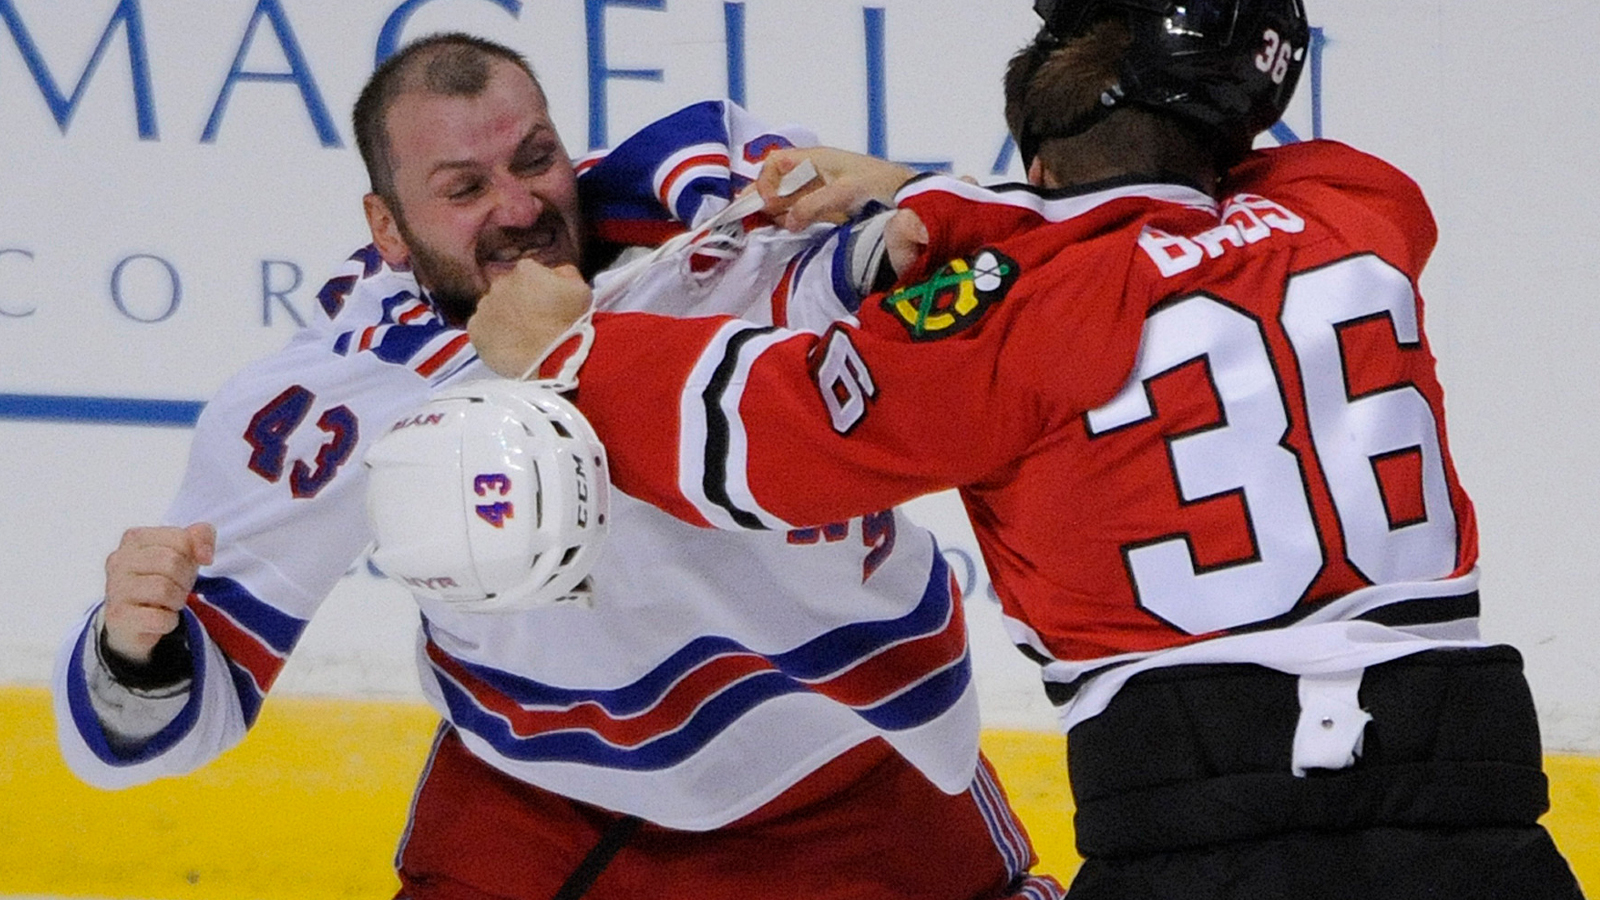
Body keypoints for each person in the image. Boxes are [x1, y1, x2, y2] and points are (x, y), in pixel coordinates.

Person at [465, 1, 1588, 897]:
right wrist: (939, 197)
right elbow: (1168, 224)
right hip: (1469, 796)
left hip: (1202, 827)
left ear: (1040, 159)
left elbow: (770, 442)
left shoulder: (1013, 314)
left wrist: (572, 354)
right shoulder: (1357, 214)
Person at [52, 33, 1065, 900]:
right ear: (386, 228)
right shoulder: (338, 390)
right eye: (463, 188)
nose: (519, 205)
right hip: (537, 811)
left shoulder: (716, 206)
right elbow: (174, 708)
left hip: (847, 774)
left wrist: (899, 198)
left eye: (535, 159)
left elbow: (982, 277)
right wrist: (136, 649)